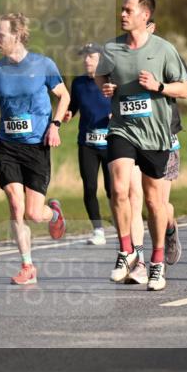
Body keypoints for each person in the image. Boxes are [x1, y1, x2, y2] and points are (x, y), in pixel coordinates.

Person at [96, 0, 187, 291]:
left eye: (128, 10)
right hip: (122, 129)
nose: (122, 14)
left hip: (155, 134)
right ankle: (126, 251)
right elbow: (100, 76)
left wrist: (159, 86)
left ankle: (157, 263)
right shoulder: (111, 48)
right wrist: (107, 88)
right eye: (122, 10)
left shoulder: (163, 50)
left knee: (154, 202)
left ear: (145, 15)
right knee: (119, 188)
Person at [0, 13, 69, 285]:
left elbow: (64, 96)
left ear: (17, 35)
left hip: (36, 146)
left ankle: (54, 214)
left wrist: (55, 125)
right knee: (15, 203)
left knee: (34, 214)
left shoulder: (43, 64)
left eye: (0, 35)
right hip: (7, 146)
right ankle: (27, 266)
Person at [63, 43, 113, 245]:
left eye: (91, 56)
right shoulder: (78, 83)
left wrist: (114, 115)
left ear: (101, 59)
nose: (86, 60)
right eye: (84, 57)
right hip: (87, 142)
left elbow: (122, 103)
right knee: (90, 187)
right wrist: (69, 113)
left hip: (111, 143)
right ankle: (98, 230)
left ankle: (122, 225)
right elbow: (74, 105)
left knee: (113, 189)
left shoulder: (111, 81)